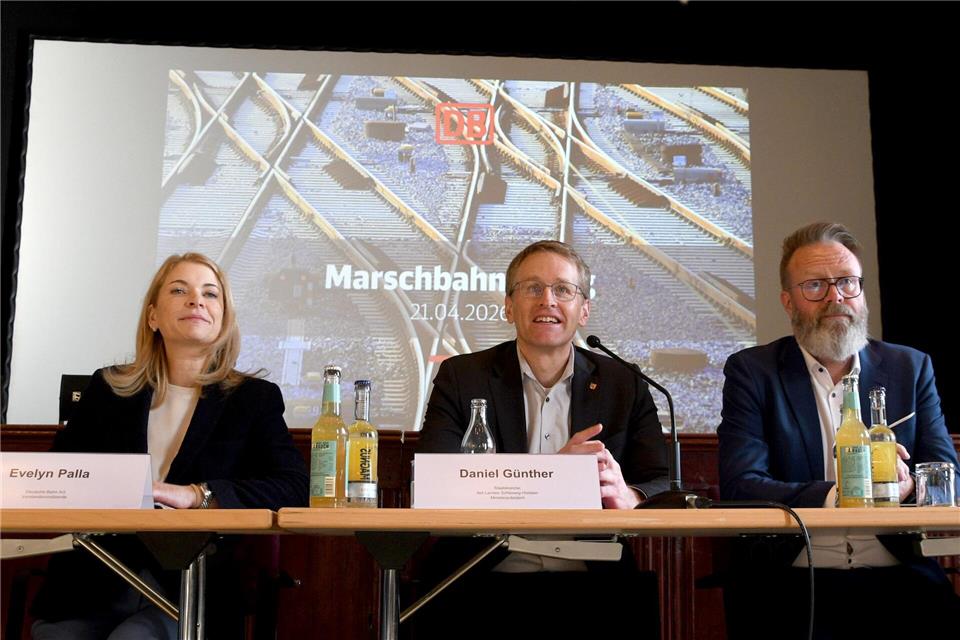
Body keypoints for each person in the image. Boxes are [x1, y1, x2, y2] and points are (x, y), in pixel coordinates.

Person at [31, 253, 309, 640]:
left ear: (223, 321)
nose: (197, 300)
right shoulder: (107, 389)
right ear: (153, 317)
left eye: (210, 294)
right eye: (180, 290)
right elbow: (58, 477)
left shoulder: (253, 399)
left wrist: (199, 495)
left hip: (189, 587)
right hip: (98, 580)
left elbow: (294, 486)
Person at [717, 222, 960, 639]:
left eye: (847, 283)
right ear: (788, 302)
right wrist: (840, 496)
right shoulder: (753, 372)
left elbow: (946, 476)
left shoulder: (910, 367)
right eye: (815, 286)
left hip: (899, 575)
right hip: (794, 581)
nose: (836, 298)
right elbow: (742, 484)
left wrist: (905, 487)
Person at [415, 240, 668, 638]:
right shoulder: (463, 377)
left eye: (563, 290)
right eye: (532, 288)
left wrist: (630, 496)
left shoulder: (625, 384)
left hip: (596, 584)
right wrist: (554, 476)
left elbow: (662, 481)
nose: (547, 300)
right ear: (508, 306)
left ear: (584, 309)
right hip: (480, 577)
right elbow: (436, 479)